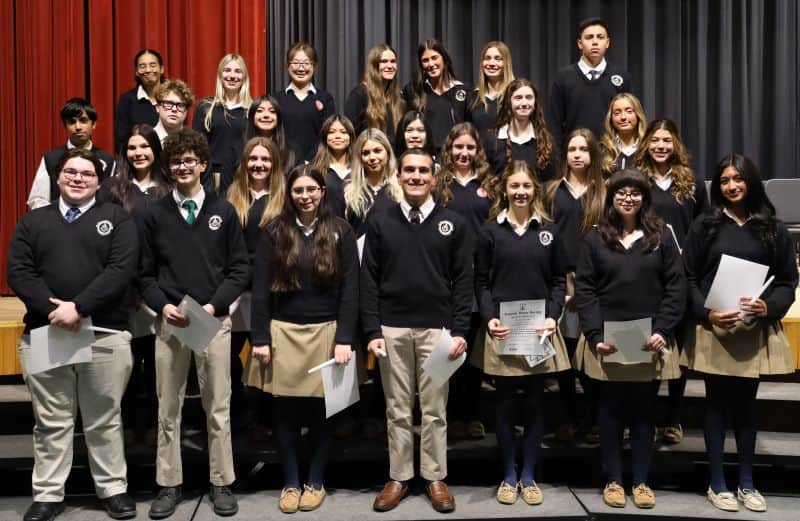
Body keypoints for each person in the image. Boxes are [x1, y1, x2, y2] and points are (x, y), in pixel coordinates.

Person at [8, 148, 139, 521]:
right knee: (51, 420)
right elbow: (19, 272)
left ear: (99, 182)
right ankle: (48, 494)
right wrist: (56, 311)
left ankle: (113, 489)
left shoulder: (117, 219)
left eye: (86, 174)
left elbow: (121, 269)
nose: (78, 178)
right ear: (58, 177)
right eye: (70, 172)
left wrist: (79, 307)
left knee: (104, 417)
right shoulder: (33, 222)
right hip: (47, 332)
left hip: (103, 333)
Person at [139, 128, 250, 519]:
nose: (182, 167)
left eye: (189, 160)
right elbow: (144, 274)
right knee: (168, 409)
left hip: (212, 321)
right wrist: (162, 306)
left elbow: (240, 269)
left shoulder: (224, 211)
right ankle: (169, 484)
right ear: (168, 168)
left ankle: (222, 482)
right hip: (171, 323)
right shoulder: (154, 215)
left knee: (218, 407)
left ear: (203, 164)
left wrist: (214, 305)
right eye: (176, 161)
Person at [683, 155, 797, 513]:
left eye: (738, 179)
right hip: (715, 327)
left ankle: (747, 482)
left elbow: (787, 281)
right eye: (724, 181)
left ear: (751, 182)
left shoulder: (772, 228)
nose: (732, 186)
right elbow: (688, 277)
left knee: (746, 406)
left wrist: (769, 306)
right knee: (716, 404)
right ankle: (717, 483)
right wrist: (707, 313)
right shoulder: (705, 225)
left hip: (752, 327)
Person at [362, 148, 473, 514]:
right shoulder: (380, 221)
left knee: (435, 408)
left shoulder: (453, 223)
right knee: (396, 408)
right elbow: (368, 280)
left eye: (423, 170)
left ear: (433, 177)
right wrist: (372, 331)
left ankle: (434, 476)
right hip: (392, 329)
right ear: (399, 176)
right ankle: (398, 476)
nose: (415, 176)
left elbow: (463, 281)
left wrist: (460, 329)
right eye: (409, 169)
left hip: (438, 331)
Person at [246, 165, 359, 513]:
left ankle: (315, 481)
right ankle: (291, 482)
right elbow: (260, 291)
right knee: (286, 415)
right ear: (290, 194)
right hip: (283, 331)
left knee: (323, 413)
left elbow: (351, 290)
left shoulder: (341, 230)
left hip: (328, 332)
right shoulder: (274, 231)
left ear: (322, 192)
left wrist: (345, 338)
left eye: (312, 189)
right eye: (298, 190)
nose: (305, 196)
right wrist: (260, 338)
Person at [574, 169, 685, 509]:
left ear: (644, 198)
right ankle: (613, 480)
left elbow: (676, 287)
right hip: (607, 341)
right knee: (608, 412)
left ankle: (640, 481)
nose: (628, 198)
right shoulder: (595, 238)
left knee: (643, 413)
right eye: (621, 192)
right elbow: (585, 290)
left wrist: (662, 330)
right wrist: (595, 335)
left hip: (649, 340)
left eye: (635, 192)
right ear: (611, 198)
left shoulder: (661, 236)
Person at [474, 160, 570, 505]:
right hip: (503, 331)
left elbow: (558, 281)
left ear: (535, 190)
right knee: (504, 407)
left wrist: (553, 317)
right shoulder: (490, 232)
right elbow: (481, 281)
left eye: (526, 186)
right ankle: (508, 475)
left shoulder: (549, 231)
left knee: (534, 405)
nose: (520, 192)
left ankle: (528, 476)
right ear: (505, 189)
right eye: (514, 186)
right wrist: (489, 318)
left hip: (538, 331)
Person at [636, 119, 707, 444]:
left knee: (678, 344)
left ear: (675, 144)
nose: (661, 146)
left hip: (682, 273)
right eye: (655, 140)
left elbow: (703, 227)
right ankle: (647, 418)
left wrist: (688, 252)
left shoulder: (692, 183)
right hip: (647, 272)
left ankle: (673, 418)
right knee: (651, 341)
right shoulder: (638, 181)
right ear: (646, 144)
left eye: (666, 140)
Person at [103, 123, 172, 447]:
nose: (138, 153)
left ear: (155, 150)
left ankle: (157, 424)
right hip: (123, 291)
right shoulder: (112, 190)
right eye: (132, 147)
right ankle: (129, 423)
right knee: (127, 365)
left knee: (158, 365)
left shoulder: (170, 188)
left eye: (144, 146)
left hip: (159, 288)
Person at [544, 128, 606, 443]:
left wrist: (584, 289)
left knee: (592, 351)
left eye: (583, 149)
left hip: (594, 282)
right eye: (572, 149)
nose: (577, 154)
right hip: (560, 280)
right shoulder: (552, 191)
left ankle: (593, 420)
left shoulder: (603, 193)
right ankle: (569, 418)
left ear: (593, 155)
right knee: (565, 355)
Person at [434, 122, 493, 440]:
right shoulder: (438, 184)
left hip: (480, 276)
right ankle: (451, 415)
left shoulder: (489, 184)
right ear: (449, 149)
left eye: (470, 147)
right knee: (448, 349)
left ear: (477, 150)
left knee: (472, 349)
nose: (464, 153)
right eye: (459, 147)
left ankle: (472, 415)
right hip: (446, 277)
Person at [226, 137, 286, 437]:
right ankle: (238, 413)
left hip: (272, 290)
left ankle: (266, 418)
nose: (258, 164)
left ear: (274, 163)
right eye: (253, 159)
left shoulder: (283, 198)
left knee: (267, 355)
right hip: (238, 290)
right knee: (229, 355)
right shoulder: (231, 196)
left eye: (265, 159)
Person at [547, 18, 633, 153]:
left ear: (607, 43)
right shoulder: (563, 78)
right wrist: (557, 156)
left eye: (600, 37)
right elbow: (554, 124)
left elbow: (629, 120)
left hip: (611, 155)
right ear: (580, 43)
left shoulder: (621, 77)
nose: (595, 42)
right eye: (589, 37)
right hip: (575, 155)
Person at [27, 98, 115, 210]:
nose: (78, 127)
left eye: (83, 121)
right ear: (65, 126)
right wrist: (54, 218)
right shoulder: (51, 159)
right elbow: (38, 199)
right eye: (72, 122)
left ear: (93, 124)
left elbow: (112, 200)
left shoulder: (108, 160)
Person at [193, 53, 253, 194]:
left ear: (244, 77)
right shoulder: (205, 108)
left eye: (237, 71)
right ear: (220, 75)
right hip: (210, 178)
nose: (232, 76)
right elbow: (197, 147)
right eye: (227, 70)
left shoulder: (252, 110)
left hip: (242, 177)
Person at [272, 42, 335, 162]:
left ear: (314, 66)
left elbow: (327, 134)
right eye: (295, 63)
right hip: (283, 163)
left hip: (316, 164)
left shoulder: (325, 98)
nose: (301, 68)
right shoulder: (276, 99)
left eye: (306, 63)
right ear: (287, 66)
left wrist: (311, 160)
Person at [402, 39, 470, 152]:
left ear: (444, 59)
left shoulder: (462, 91)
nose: (431, 64)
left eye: (434, 58)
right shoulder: (413, 90)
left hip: (452, 155)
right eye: (425, 60)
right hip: (423, 155)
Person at [490, 78, 555, 182]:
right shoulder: (491, 140)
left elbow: (550, 182)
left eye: (529, 97)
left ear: (535, 102)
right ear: (509, 102)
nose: (524, 103)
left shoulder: (546, 140)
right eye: (518, 98)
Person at [343, 128, 403, 239]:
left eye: (377, 151)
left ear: (388, 152)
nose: (372, 157)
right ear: (359, 157)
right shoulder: (349, 190)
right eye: (365, 153)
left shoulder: (401, 187)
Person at [344, 43, 405, 147]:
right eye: (384, 61)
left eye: (393, 61)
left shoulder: (399, 97)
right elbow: (350, 134)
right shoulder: (359, 95)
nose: (390, 66)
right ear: (374, 65)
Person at [467, 41, 515, 153]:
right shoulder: (473, 98)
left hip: (508, 158)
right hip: (479, 159)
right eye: (487, 58)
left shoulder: (515, 95)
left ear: (506, 63)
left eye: (498, 59)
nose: (492, 63)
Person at [115, 49, 164, 153]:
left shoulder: (173, 97)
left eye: (152, 65)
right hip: (140, 157)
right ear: (137, 72)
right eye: (142, 66)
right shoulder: (127, 100)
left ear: (161, 69)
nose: (148, 70)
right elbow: (121, 140)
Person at [310, 114, 357, 218]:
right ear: (325, 137)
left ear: (351, 136)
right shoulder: (314, 169)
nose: (337, 136)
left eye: (343, 132)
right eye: (331, 132)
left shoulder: (360, 168)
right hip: (326, 224)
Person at [244, 94, 296, 168]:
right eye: (260, 111)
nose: (266, 115)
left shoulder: (292, 151)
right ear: (252, 116)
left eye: (272, 111)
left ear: (278, 118)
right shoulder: (239, 148)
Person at [600, 92, 647, 174]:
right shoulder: (602, 150)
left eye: (629, 111)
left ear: (638, 115)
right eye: (617, 113)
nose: (623, 117)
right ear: (611, 118)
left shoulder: (647, 148)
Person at [153, 79, 195, 144]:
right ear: (157, 107)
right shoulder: (145, 140)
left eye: (180, 105)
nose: (174, 109)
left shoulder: (194, 142)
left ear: (186, 111)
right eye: (168, 104)